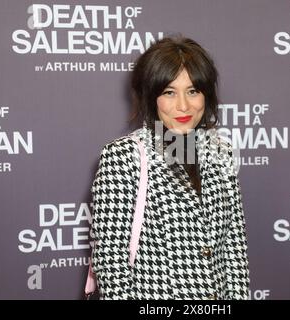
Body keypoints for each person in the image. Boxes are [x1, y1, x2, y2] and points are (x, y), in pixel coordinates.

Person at [90, 36, 250, 300]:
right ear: (151, 96)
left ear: (206, 94)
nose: (183, 106)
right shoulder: (124, 156)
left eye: (192, 91)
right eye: (169, 92)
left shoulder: (220, 151)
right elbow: (111, 265)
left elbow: (234, 250)